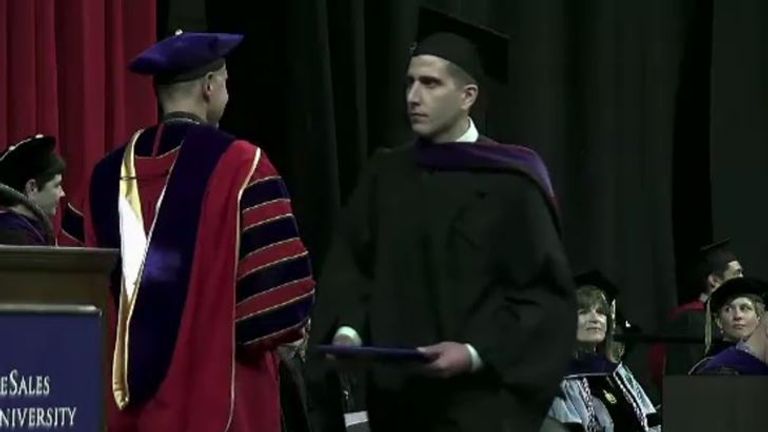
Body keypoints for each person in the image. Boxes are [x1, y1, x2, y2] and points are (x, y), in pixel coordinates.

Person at [307, 7, 575, 432]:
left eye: (430, 84)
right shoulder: (386, 175)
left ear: (467, 95)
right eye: (410, 82)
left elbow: (543, 301)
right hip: (397, 407)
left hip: (481, 407)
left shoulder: (511, 181)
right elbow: (352, 269)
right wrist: (348, 333)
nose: (413, 96)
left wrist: (473, 352)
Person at [81, 31, 315, 432]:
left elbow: (85, 296)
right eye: (225, 80)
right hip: (221, 403)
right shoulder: (243, 166)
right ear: (209, 87)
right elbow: (276, 311)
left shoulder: (105, 177)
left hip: (123, 411)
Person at [545, 278, 660, 432]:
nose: (595, 319)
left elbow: (651, 423)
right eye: (583, 312)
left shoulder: (618, 372)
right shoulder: (561, 378)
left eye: (600, 312)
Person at [648, 240, 743, 384]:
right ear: (714, 281)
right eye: (737, 273)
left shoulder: (735, 318)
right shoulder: (689, 319)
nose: (742, 279)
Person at [691, 277, 767, 375]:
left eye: (744, 308)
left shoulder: (762, 360)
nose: (737, 316)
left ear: (759, 317)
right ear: (719, 321)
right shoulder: (713, 366)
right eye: (728, 309)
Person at [0, 134, 65, 245]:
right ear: (32, 188)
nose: (62, 193)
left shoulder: (31, 229)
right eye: (56, 185)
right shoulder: (13, 235)